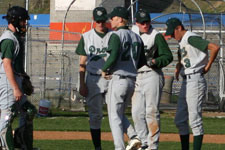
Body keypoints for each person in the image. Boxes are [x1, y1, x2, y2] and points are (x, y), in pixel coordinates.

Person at [165, 18, 220, 150]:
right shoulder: (183, 41)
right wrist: (179, 65)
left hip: (195, 80)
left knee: (195, 120)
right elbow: (184, 56)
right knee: (180, 120)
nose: (172, 36)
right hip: (187, 80)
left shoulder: (190, 38)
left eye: (173, 33)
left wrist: (208, 65)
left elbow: (214, 47)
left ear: (179, 28)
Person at [101, 6, 146, 150]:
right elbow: (141, 62)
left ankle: (119, 147)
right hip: (132, 80)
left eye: (113, 18)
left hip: (118, 78)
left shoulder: (116, 35)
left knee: (114, 117)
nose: (110, 20)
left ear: (120, 19)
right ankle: (134, 137)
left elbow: (113, 56)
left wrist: (104, 69)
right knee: (118, 114)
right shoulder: (137, 37)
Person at [131, 10, 173, 150]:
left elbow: (167, 56)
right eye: (142, 22)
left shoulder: (155, 36)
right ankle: (143, 143)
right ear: (136, 22)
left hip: (152, 74)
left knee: (151, 111)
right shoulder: (132, 33)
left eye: (147, 21)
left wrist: (155, 61)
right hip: (136, 75)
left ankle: (152, 145)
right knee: (136, 112)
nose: (145, 24)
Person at [0, 6, 37, 150]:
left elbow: (16, 65)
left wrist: (25, 78)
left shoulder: (15, 37)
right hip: (8, 83)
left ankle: (22, 144)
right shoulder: (8, 39)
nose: (25, 24)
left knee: (29, 111)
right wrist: (16, 88)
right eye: (23, 21)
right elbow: (7, 64)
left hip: (15, 80)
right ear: (15, 21)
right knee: (6, 119)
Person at [75, 7, 111, 150]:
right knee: (95, 115)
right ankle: (98, 147)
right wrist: (82, 83)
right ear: (93, 20)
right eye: (98, 21)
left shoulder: (113, 36)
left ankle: (128, 143)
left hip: (110, 77)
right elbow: (82, 63)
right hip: (93, 79)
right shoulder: (87, 36)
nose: (100, 24)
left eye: (102, 21)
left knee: (116, 113)